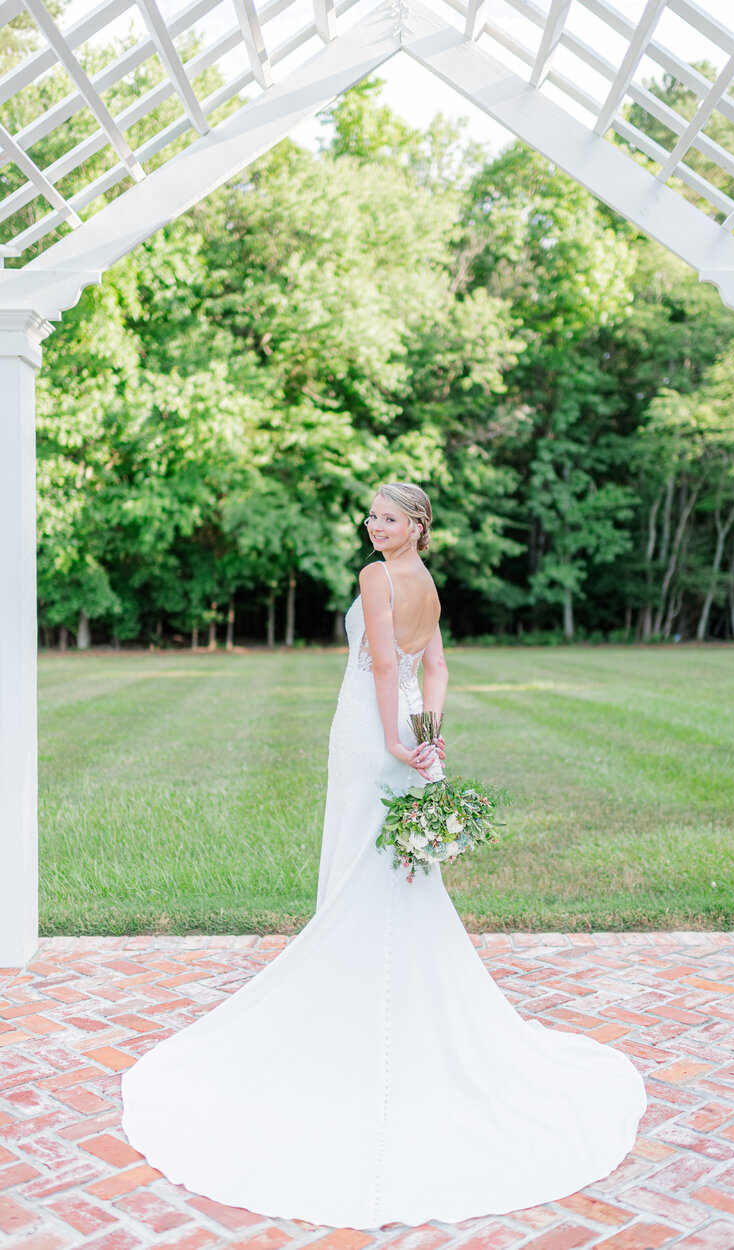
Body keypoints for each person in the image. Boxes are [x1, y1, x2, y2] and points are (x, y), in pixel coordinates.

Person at [121, 481, 647, 1230]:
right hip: (404, 726)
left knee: (363, 853)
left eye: (389, 518)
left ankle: (350, 995)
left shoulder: (377, 579)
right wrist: (427, 731)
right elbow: (432, 669)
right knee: (396, 860)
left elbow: (376, 666)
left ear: (417, 526)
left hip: (370, 731)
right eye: (371, 515)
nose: (374, 526)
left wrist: (396, 740)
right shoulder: (428, 584)